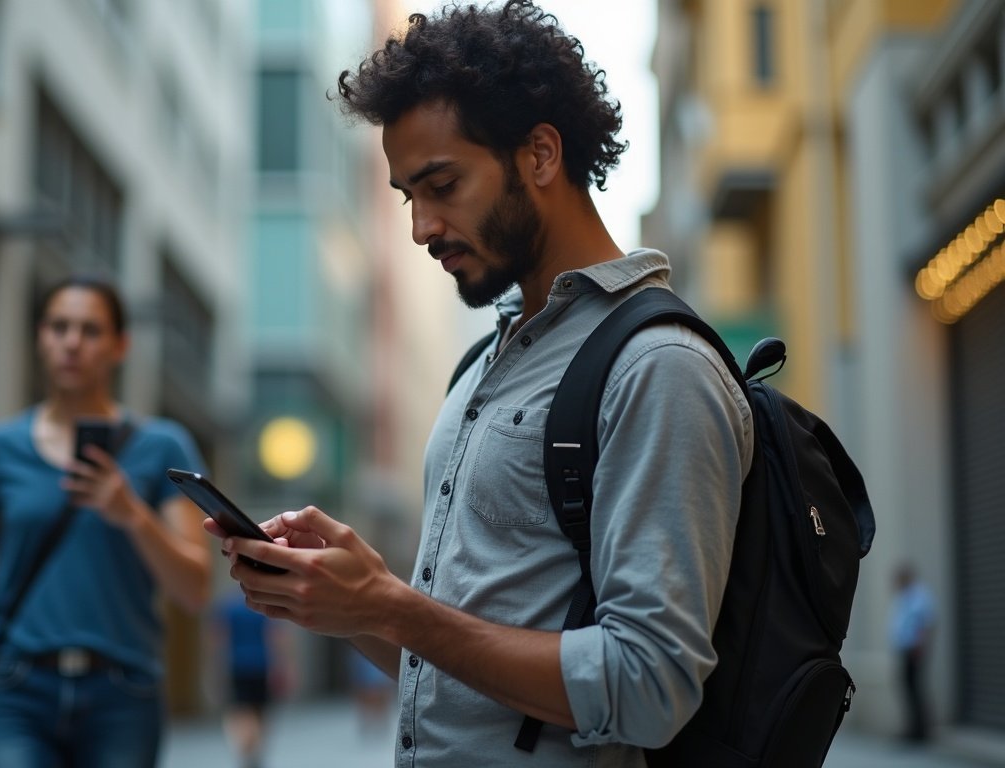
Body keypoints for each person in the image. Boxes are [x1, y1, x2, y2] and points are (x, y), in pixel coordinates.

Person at [206, 2, 753, 765]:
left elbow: (650, 686)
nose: (420, 226)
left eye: (442, 184)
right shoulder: (481, 369)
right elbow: (456, 673)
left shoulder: (657, 365)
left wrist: (395, 606)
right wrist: (349, 604)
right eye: (407, 196)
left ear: (539, 155)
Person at [0, 276, 211, 768]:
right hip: (19, 689)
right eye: (58, 327)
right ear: (39, 337)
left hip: (124, 694)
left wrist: (131, 514)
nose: (71, 342)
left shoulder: (163, 448)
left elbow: (194, 588)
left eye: (90, 330)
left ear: (120, 346)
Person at [212, 590, 291, 768]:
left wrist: (217, 670)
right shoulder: (264, 605)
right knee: (260, 710)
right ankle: (254, 749)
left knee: (241, 709)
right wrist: (283, 666)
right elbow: (275, 637)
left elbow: (220, 639)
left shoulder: (228, 607)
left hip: (237, 665)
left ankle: (247, 747)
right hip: (261, 664)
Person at [889, 563, 935, 743]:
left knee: (915, 689)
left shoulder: (919, 595)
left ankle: (921, 730)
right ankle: (913, 728)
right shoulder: (905, 596)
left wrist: (919, 647)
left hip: (914, 650)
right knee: (908, 689)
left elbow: (926, 623)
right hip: (905, 649)